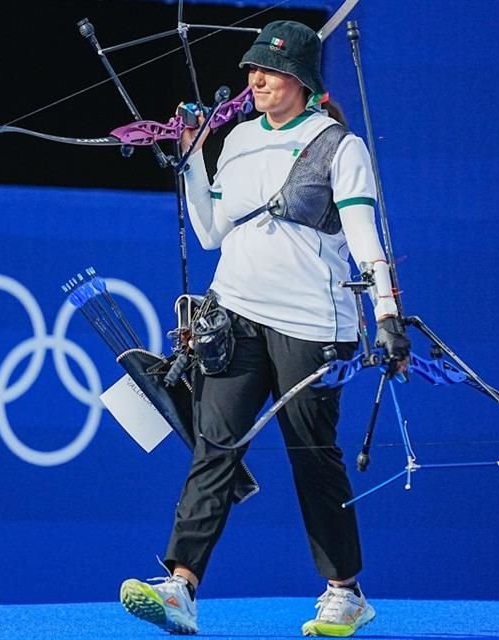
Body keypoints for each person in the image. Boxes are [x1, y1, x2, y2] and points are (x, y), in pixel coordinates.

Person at [118, 20, 410, 637]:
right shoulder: (241, 137)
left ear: (302, 80)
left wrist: (387, 313)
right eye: (253, 69)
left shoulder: (338, 146)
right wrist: (194, 155)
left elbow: (364, 236)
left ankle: (344, 592)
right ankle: (180, 588)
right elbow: (209, 232)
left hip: (311, 324)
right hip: (237, 314)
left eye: (271, 71)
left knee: (312, 457)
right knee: (215, 446)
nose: (257, 79)